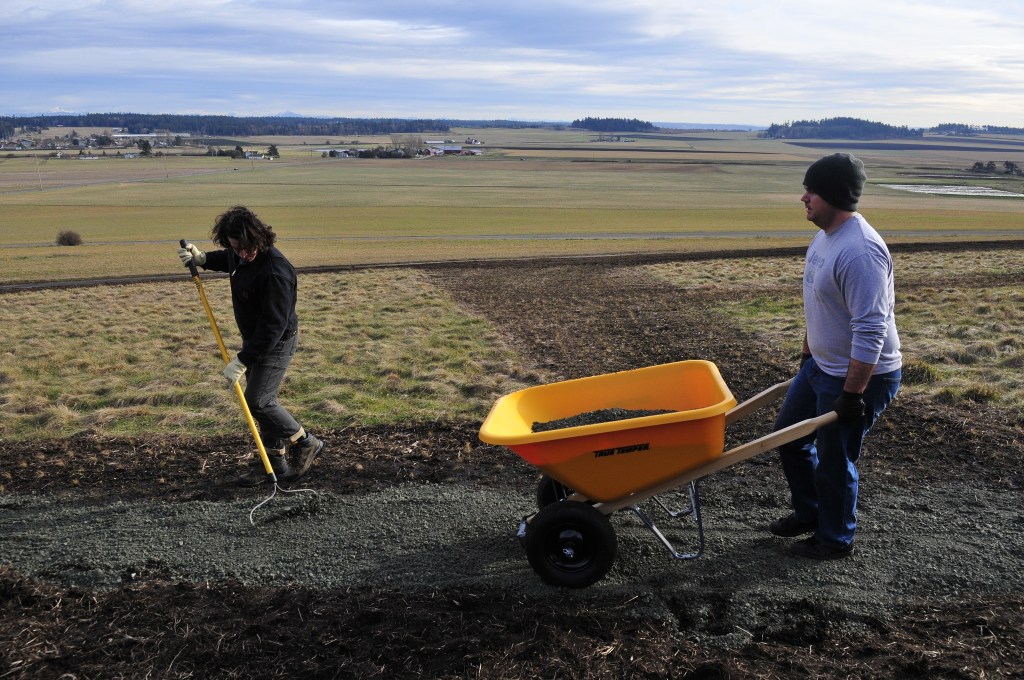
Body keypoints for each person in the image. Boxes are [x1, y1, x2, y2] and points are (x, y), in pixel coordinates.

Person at [769, 153, 902, 560]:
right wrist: (809, 351)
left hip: (860, 376)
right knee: (788, 439)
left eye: (812, 191)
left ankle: (835, 539)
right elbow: (820, 301)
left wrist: (852, 395)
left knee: (834, 456)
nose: (803, 198)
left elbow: (871, 329)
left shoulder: (860, 252)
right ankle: (810, 514)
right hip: (821, 367)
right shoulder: (825, 237)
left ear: (833, 195)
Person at [178, 205, 323, 486]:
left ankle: (305, 442)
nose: (243, 254)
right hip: (255, 339)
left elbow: (273, 327)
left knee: (258, 401)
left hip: (276, 342)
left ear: (260, 238)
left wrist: (243, 360)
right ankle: (273, 464)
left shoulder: (276, 272)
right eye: (236, 248)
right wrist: (204, 258)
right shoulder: (239, 253)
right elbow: (230, 260)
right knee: (262, 401)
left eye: (247, 248)